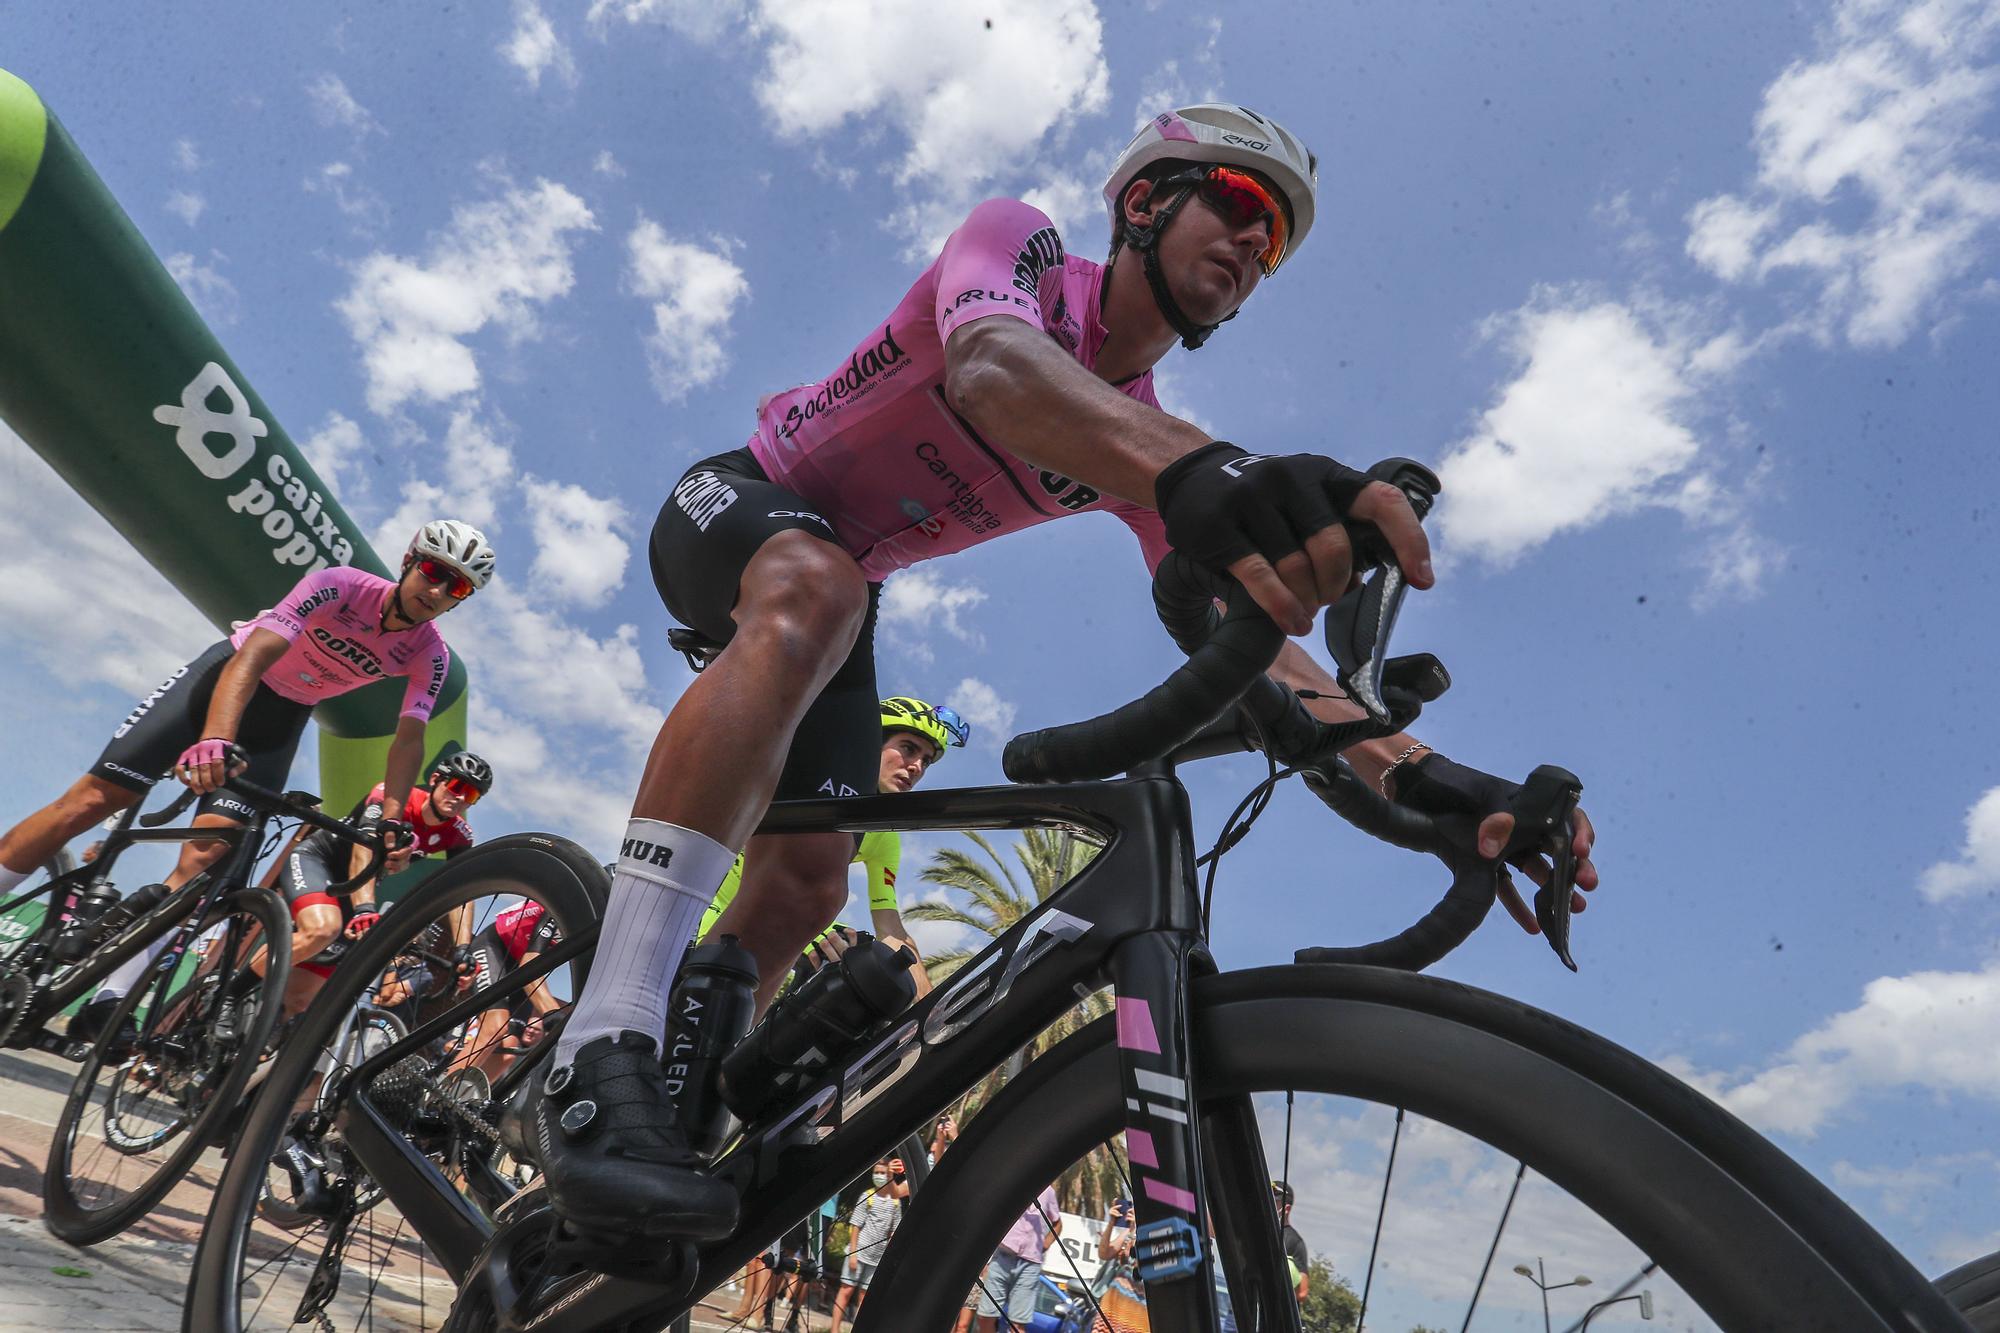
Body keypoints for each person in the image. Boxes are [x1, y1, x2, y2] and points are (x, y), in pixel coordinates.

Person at [528, 102, 1601, 1251]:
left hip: (839, 592)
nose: (1251, 247)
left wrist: (1426, 780)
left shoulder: (1134, 438)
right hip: (745, 499)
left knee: (805, 886)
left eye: (1275, 241)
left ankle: (662, 1132)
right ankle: (603, 1040)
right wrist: (1208, 471)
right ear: (1145, 199)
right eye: (1238, 204)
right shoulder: (1023, 250)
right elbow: (995, 367)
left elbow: (1250, 637)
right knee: (820, 584)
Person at [21, 521, 493, 1043]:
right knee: (92, 801)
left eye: (459, 587)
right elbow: (254, 655)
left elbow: (408, 741)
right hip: (228, 680)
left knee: (208, 859)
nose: (437, 591)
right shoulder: (340, 585)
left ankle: (112, 998)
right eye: (433, 571)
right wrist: (215, 738)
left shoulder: (431, 655)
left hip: (283, 717)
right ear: (409, 560)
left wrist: (391, 820)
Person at [697, 694, 965, 1008]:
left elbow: (891, 930)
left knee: (851, 956)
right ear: (871, 743)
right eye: (908, 748)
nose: (917, 766)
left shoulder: (884, 838)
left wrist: (929, 1017)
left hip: (762, 946)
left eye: (926, 760)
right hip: (703, 915)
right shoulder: (812, 772)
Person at [273, 750, 492, 1021]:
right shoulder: (393, 797)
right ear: (436, 779)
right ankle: (235, 989)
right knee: (321, 930)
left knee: (299, 1000)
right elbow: (363, 846)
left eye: (470, 795)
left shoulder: (458, 834)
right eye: (457, 786)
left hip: (358, 885)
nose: (460, 798)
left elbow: (463, 893)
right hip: (321, 861)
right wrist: (365, 909)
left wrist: (462, 950)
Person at [975, 1184, 1061, 1333]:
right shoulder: (1016, 1184)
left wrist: (1046, 1243)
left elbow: (1058, 1223)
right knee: (985, 1316)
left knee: (1018, 1325)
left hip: (1030, 1263)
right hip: (1003, 1256)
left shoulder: (1048, 1192)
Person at [828, 1161, 901, 1333]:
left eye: (883, 1173)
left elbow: (894, 1231)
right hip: (859, 1252)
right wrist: (853, 1253)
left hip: (877, 1258)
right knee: (846, 1291)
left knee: (865, 1298)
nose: (880, 1176)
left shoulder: (896, 1203)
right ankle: (834, 1330)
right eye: (877, 1172)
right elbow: (855, 1226)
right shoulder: (867, 1196)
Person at [1273, 1179, 1309, 1301]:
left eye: (1274, 1202)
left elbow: (1302, 1293)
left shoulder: (1295, 1242)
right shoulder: (1259, 1232)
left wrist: (1285, 1275)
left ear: (1286, 1209)